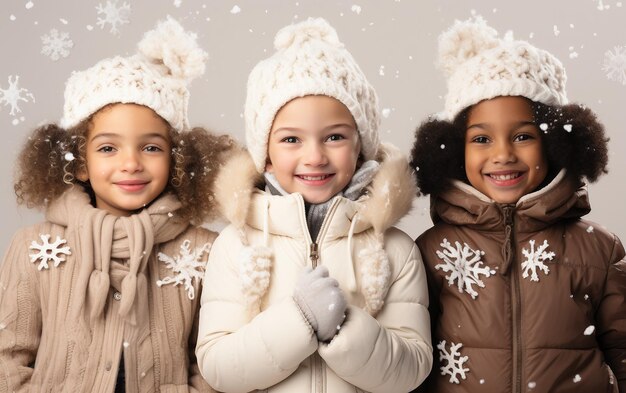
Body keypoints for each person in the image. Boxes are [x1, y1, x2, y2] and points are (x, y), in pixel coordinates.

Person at [195, 17, 432, 393]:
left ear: (361, 147)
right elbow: (219, 367)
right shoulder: (237, 246)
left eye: (334, 137)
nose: (315, 157)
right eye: (291, 140)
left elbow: (411, 370)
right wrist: (299, 319)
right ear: (266, 154)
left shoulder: (393, 248)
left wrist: (343, 325)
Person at [0, 17, 233, 392]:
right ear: (78, 162)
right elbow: (6, 360)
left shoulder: (206, 250)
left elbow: (212, 363)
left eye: (151, 147)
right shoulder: (33, 247)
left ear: (178, 160)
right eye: (108, 148)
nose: (131, 163)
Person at [409, 15, 626, 393]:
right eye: (481, 139)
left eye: (523, 136)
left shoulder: (599, 250)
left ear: (556, 143)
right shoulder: (431, 250)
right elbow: (411, 360)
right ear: (454, 150)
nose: (503, 154)